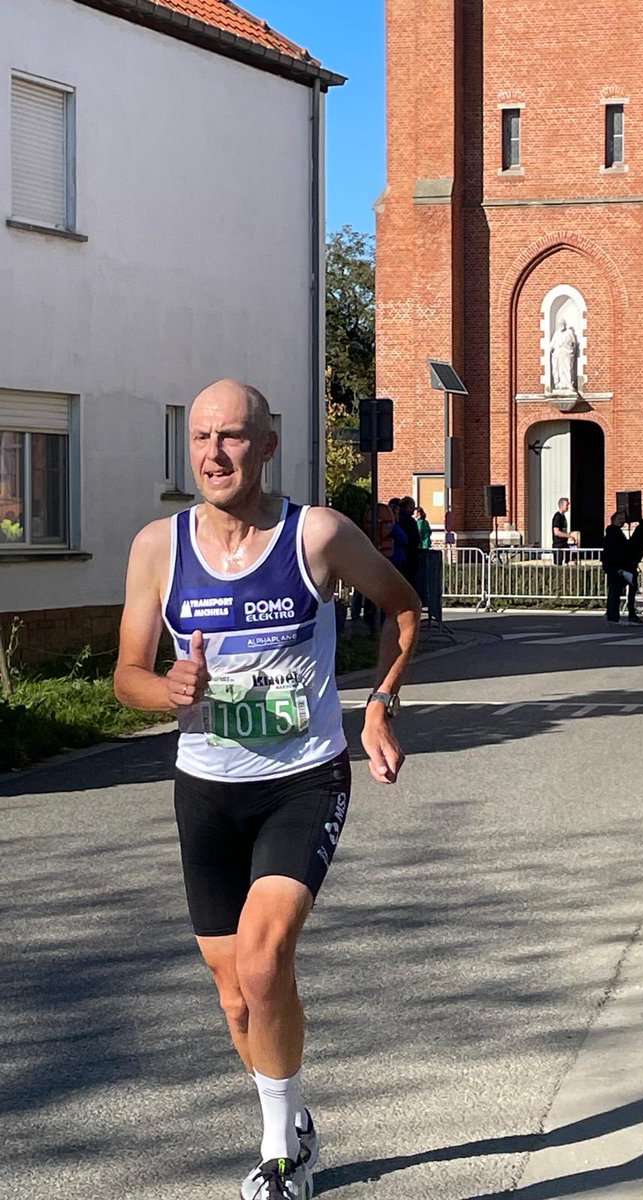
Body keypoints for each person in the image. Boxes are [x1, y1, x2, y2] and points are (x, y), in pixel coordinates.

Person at [113, 379, 421, 1200]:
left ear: (269, 446)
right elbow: (126, 676)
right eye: (203, 438)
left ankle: (283, 1152)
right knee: (236, 999)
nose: (216, 454)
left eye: (235, 438)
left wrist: (380, 707)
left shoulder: (316, 535)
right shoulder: (159, 547)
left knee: (262, 960)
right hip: (206, 789)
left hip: (303, 780)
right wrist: (171, 690)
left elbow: (404, 609)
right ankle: (294, 1113)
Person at [601, 510, 631, 623]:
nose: (622, 521)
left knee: (614, 591)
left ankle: (612, 614)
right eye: (619, 519)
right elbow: (614, 552)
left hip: (613, 565)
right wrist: (618, 567)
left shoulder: (615, 532)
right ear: (613, 520)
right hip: (615, 566)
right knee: (615, 591)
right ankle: (613, 615)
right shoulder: (614, 534)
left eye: (623, 519)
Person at [397, 496, 421, 586]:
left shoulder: (395, 519)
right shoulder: (409, 521)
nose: (413, 511)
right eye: (413, 508)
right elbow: (415, 539)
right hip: (409, 558)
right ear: (408, 506)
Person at [552, 497, 571, 565]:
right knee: (558, 566)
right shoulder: (557, 517)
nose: (568, 507)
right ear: (561, 505)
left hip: (564, 544)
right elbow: (556, 532)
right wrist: (569, 536)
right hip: (558, 546)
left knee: (569, 561)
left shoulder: (563, 516)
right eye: (566, 505)